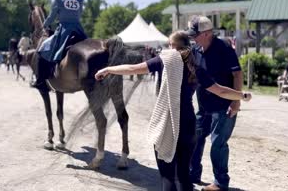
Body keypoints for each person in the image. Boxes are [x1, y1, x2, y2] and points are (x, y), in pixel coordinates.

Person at [95, 31, 251, 191]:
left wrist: (108, 69)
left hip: (167, 123)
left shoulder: (164, 61)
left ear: (172, 46)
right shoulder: (195, 67)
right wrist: (241, 95)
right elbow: (221, 91)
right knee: (183, 176)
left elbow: (132, 68)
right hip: (188, 124)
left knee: (168, 177)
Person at [187, 16, 243, 191]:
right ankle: (192, 173)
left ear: (207, 33)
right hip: (203, 106)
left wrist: (236, 102)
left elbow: (238, 75)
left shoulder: (224, 48)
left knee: (218, 143)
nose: (192, 38)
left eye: (195, 34)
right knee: (195, 137)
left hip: (223, 105)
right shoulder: (196, 50)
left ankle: (220, 183)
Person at [31, 0, 87, 88]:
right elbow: (79, 15)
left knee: (42, 48)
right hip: (79, 30)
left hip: (64, 31)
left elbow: (51, 18)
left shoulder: (58, 1)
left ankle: (41, 80)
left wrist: (44, 26)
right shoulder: (80, 1)